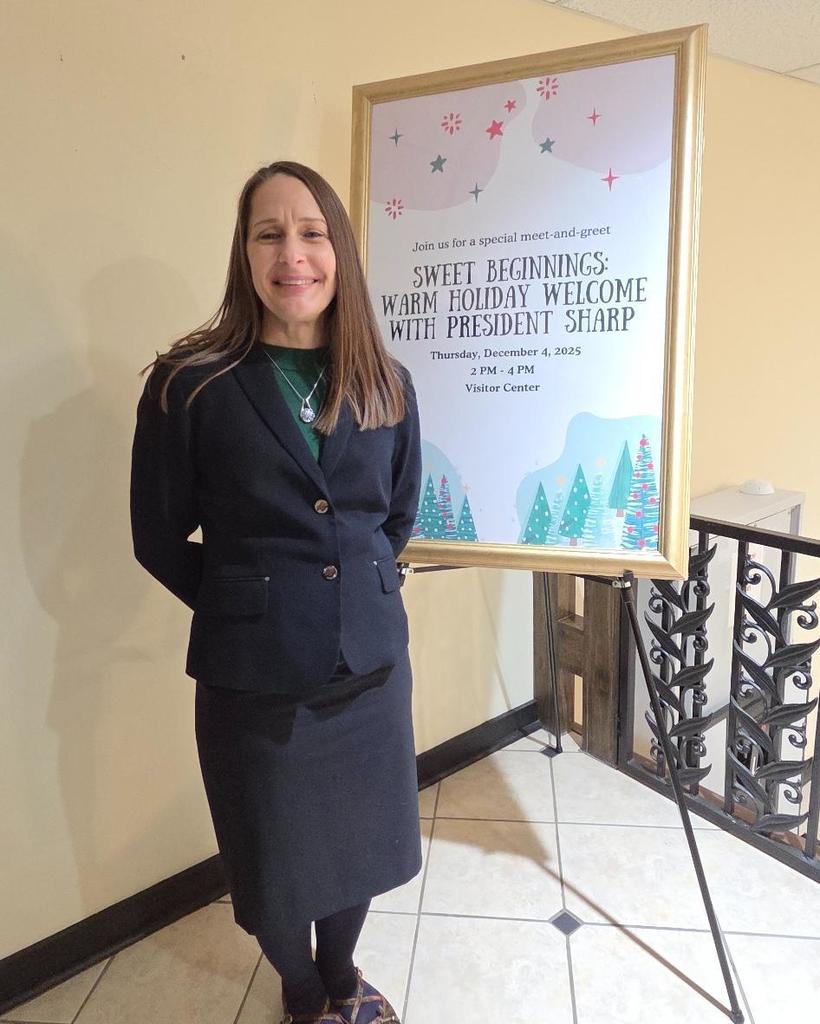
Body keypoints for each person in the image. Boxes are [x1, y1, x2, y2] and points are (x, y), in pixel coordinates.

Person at [130, 160, 423, 1024]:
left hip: (370, 667)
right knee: (273, 857)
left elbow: (395, 517)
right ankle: (301, 991)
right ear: (244, 252)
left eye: (312, 233)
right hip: (254, 680)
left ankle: (342, 974)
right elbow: (156, 538)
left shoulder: (386, 381)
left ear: (340, 252)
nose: (292, 255)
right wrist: (249, 608)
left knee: (360, 844)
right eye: (269, 233)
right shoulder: (191, 383)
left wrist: (349, 596)